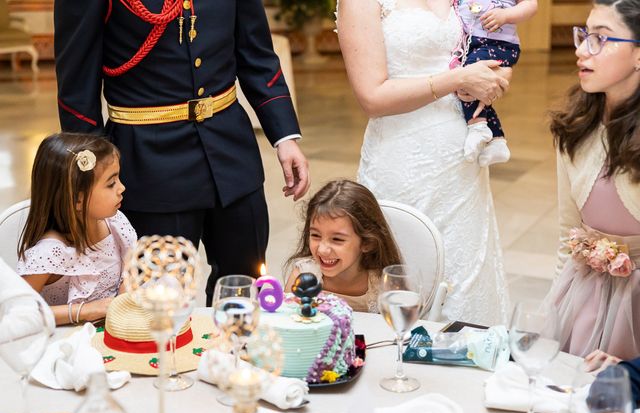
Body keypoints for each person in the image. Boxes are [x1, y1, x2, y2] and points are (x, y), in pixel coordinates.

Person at [53, 0, 310, 305]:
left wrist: (284, 137)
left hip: (231, 154)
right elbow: (76, 88)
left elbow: (257, 54)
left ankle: (234, 353)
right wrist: (92, 170)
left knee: (243, 288)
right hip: (150, 165)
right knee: (161, 302)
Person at [337, 0, 511, 325]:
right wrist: (458, 79)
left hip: (459, 158)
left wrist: (493, 76)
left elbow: (486, 41)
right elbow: (372, 98)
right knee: (405, 271)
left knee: (465, 268)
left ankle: (469, 360)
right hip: (401, 158)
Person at [547, 0, 640, 359]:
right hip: (583, 297)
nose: (582, 50)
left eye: (601, 39)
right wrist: (554, 310)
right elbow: (567, 235)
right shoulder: (575, 129)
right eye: (584, 36)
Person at [16, 133, 136, 325]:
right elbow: (18, 313)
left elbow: (129, 273)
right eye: (111, 183)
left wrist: (125, 296)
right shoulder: (50, 253)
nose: (121, 188)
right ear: (77, 199)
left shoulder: (116, 224)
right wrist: (83, 311)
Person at [285, 180, 402, 313]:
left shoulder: (383, 284)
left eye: (337, 239)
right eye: (316, 235)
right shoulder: (303, 276)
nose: (322, 250)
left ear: (367, 243)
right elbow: (286, 324)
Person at [456, 0, 537, 166]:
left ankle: (477, 127)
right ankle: (497, 139)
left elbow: (531, 5)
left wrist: (506, 15)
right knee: (471, 85)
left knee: (470, 77)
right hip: (468, 42)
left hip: (499, 43)